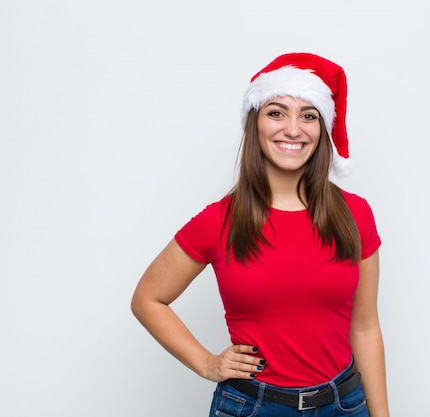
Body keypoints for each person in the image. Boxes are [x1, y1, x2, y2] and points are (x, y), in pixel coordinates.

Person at [131, 52, 389, 417]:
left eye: (309, 115)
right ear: (255, 123)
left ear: (322, 128)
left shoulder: (355, 214)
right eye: (276, 112)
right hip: (253, 407)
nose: (293, 129)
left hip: (343, 406)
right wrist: (206, 363)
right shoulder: (218, 220)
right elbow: (148, 299)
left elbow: (365, 328)